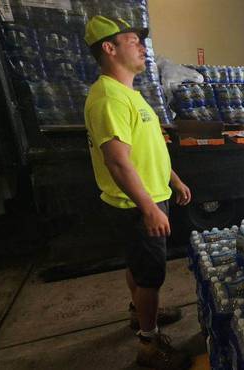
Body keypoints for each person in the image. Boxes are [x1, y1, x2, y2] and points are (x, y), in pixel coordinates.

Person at [83, 16, 191, 368]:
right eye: (134, 41)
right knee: (152, 274)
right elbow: (118, 163)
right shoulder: (108, 98)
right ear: (109, 48)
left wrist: (173, 179)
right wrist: (149, 208)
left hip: (149, 195)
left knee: (140, 267)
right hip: (136, 203)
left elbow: (149, 148)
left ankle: (139, 311)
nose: (143, 47)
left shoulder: (129, 93)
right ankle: (148, 342)